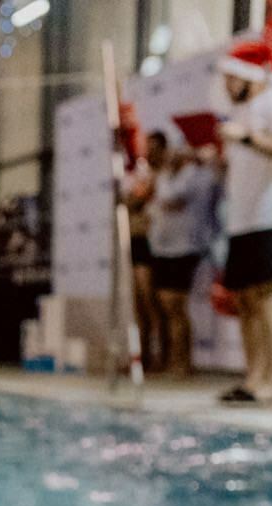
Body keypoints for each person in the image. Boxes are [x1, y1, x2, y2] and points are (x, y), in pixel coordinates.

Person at [216, 41, 272, 406]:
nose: (225, 86)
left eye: (229, 78)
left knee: (268, 298)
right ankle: (253, 378)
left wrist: (248, 137)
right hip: (242, 219)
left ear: (247, 76)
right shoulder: (243, 112)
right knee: (246, 300)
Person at [148, 136, 220, 379]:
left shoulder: (194, 176)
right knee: (166, 307)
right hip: (163, 248)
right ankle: (172, 359)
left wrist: (169, 170)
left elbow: (170, 200)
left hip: (185, 248)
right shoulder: (167, 176)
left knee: (175, 305)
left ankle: (183, 362)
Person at [124, 133, 164, 371]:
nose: (148, 152)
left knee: (151, 301)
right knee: (138, 302)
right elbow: (128, 201)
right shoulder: (140, 174)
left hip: (151, 241)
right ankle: (143, 356)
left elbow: (137, 200)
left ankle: (160, 354)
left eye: (153, 147)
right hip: (135, 239)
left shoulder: (159, 176)